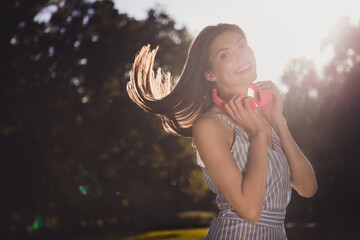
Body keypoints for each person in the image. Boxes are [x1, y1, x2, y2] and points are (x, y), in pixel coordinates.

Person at [126, 23, 318, 239]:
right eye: (225, 55)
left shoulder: (265, 119)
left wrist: (277, 120)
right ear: (209, 74)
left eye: (242, 46)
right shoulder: (209, 125)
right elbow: (250, 211)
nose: (241, 56)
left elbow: (308, 187)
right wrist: (257, 135)